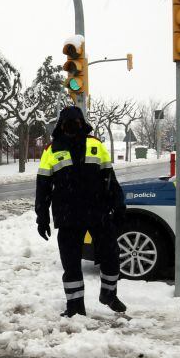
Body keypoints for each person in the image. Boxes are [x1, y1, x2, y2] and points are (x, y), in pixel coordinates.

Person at [35, 105, 127, 318]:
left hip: (98, 211)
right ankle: (75, 307)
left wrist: (119, 205)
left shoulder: (95, 145)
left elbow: (110, 178)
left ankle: (109, 294)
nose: (71, 127)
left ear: (82, 123)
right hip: (67, 216)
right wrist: (42, 218)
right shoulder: (51, 150)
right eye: (67, 123)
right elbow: (43, 186)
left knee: (111, 255)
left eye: (75, 122)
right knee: (71, 264)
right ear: (61, 125)